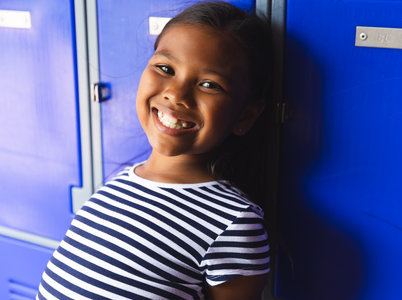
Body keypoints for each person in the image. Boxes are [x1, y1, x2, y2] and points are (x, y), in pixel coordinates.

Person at [37, 1, 274, 299]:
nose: (176, 94)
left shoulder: (234, 223)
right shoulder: (118, 184)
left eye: (209, 84)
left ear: (245, 116)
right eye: (165, 68)